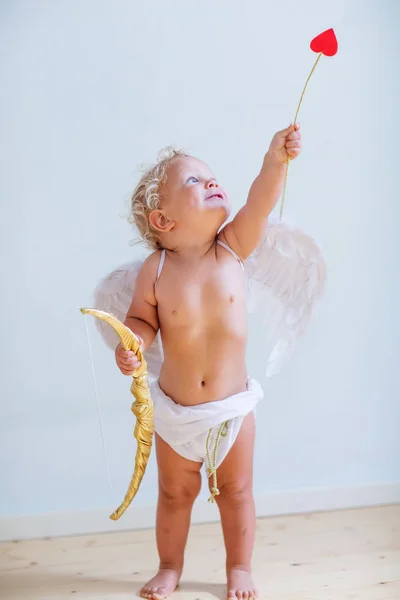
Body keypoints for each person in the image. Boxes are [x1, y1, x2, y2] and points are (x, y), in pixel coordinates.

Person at [115, 124, 302, 600]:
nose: (211, 181)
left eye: (211, 176)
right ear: (163, 221)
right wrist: (132, 343)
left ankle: (239, 568)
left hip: (230, 411)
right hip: (175, 414)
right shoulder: (155, 271)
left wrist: (274, 159)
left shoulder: (232, 249)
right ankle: (169, 566)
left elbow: (259, 201)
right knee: (175, 496)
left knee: (234, 494)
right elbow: (140, 319)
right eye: (193, 182)